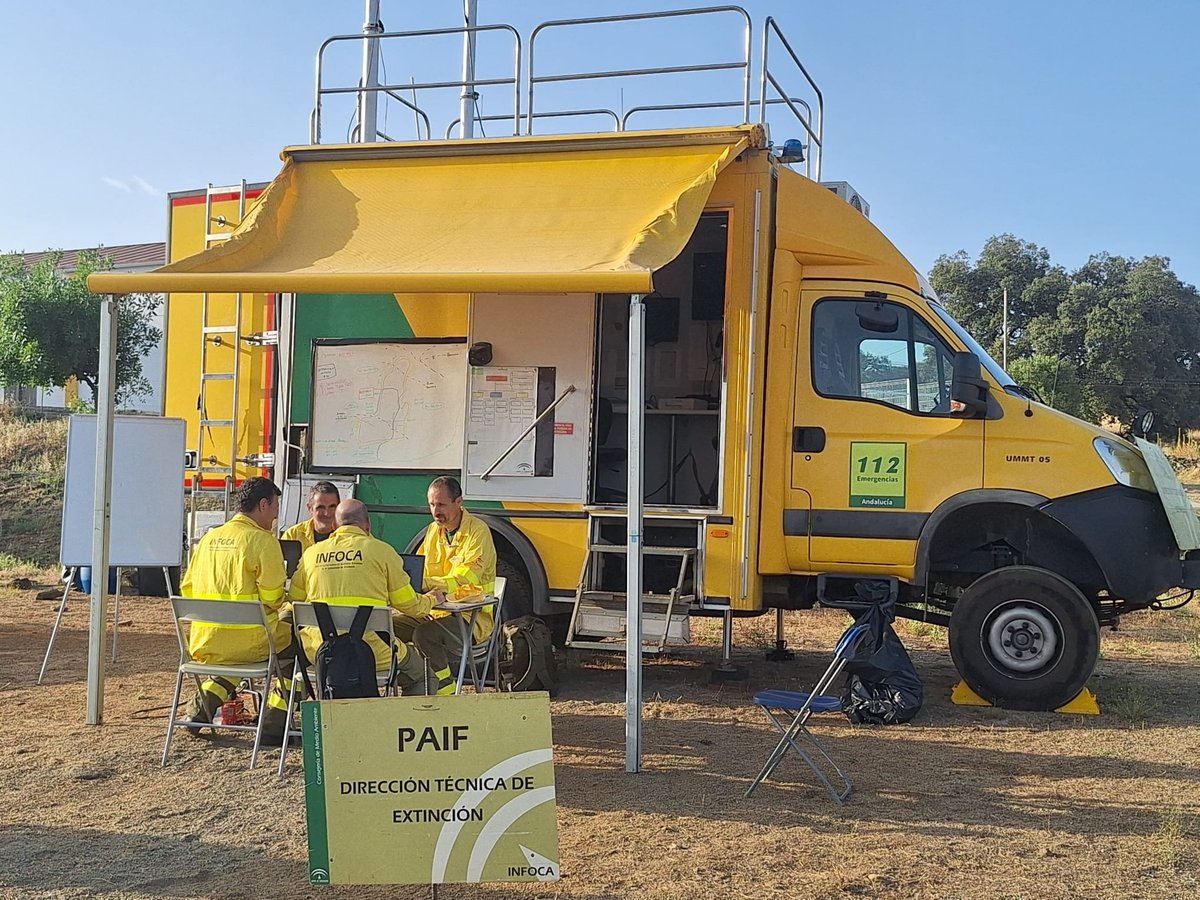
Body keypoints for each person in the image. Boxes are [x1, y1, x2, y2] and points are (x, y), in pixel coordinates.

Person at [179, 476, 292, 738]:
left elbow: (188, 588)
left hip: (206, 641)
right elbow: (273, 597)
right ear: (263, 505)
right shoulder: (263, 541)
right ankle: (274, 725)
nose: (276, 516)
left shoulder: (208, 539)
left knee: (232, 664)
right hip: (251, 642)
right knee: (301, 654)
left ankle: (198, 712)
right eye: (275, 507)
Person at [289, 499, 433, 694]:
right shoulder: (382, 551)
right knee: (426, 677)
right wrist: (433, 599)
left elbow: (294, 599)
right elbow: (409, 605)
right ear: (368, 525)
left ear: (334, 526)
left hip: (319, 649)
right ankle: (396, 723)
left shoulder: (311, 554)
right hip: (372, 651)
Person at [395, 476, 497, 696]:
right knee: (386, 626)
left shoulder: (478, 532)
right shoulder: (433, 531)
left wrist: (425, 585)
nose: (435, 511)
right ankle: (412, 680)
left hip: (471, 620)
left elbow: (464, 579)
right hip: (434, 612)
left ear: (458, 501)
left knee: (425, 635)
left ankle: (445, 690)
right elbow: (418, 570)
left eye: (441, 504)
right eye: (432, 504)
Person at [280, 481, 340, 553]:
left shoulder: (348, 536)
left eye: (332, 507)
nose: (327, 513)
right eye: (321, 507)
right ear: (310, 508)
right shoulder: (293, 535)